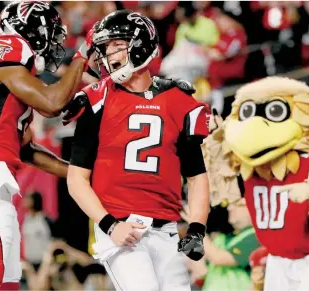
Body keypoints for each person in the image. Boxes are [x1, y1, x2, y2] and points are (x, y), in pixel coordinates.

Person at [0, 1, 95, 290]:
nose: (53, 42)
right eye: (49, 33)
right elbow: (52, 103)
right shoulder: (5, 46)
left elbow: (26, 150)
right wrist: (81, 58)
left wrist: (77, 173)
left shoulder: (7, 86)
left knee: (5, 282)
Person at [65, 10, 211, 291]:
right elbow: (76, 178)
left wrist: (196, 229)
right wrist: (109, 225)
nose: (110, 55)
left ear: (141, 45)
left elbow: (197, 176)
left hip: (167, 230)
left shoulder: (177, 100)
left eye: (117, 46)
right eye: (105, 49)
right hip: (119, 225)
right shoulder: (97, 99)